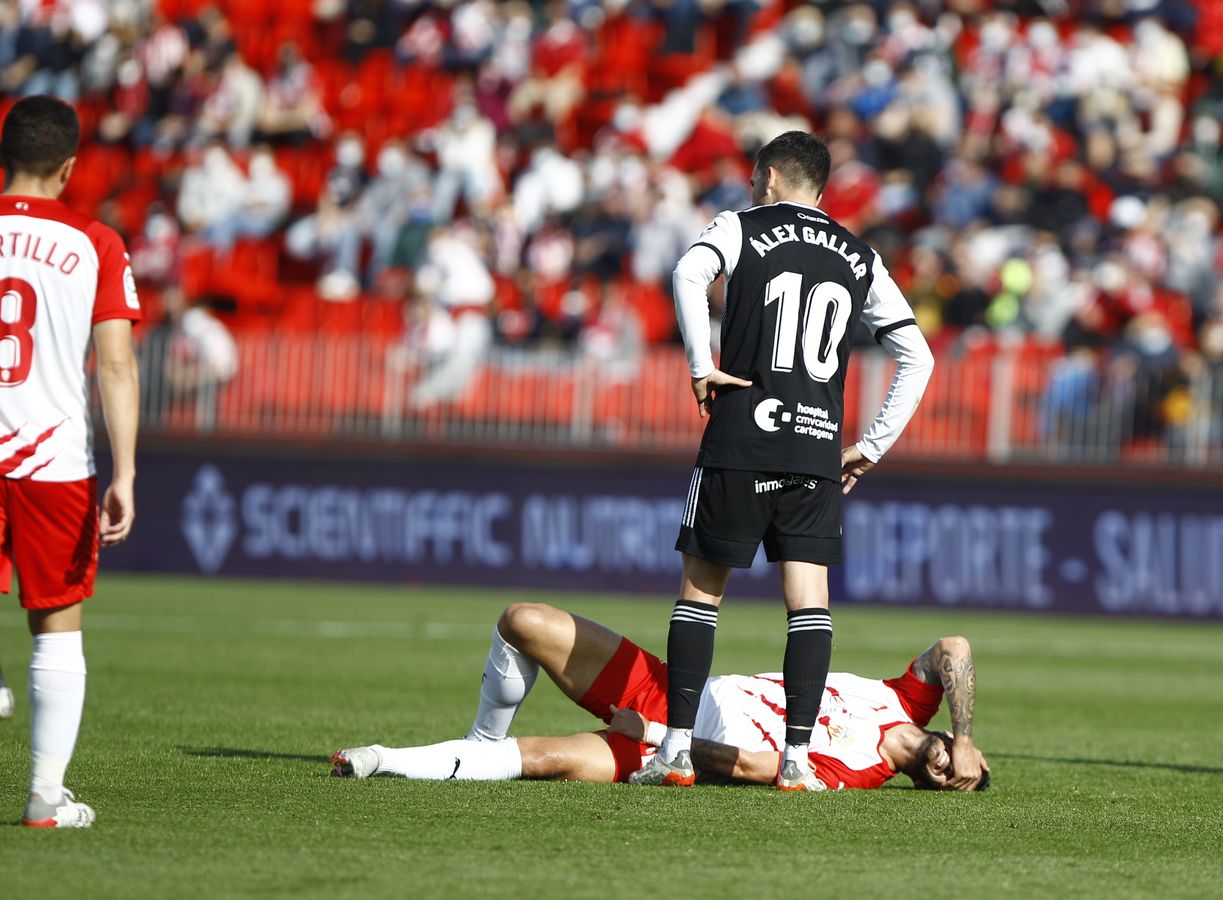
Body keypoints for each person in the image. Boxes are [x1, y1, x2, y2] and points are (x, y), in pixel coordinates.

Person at [634, 130, 937, 792]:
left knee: (701, 594)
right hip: (817, 446)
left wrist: (700, 363)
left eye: (752, 177)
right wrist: (873, 444)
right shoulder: (859, 254)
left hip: (743, 437)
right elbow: (919, 357)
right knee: (809, 604)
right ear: (821, 192)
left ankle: (677, 750)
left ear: (768, 176)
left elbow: (688, 273)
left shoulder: (738, 226)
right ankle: (798, 760)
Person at [329, 601, 989, 791]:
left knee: (540, 759)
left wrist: (652, 736)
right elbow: (953, 646)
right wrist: (959, 735)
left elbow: (758, 767)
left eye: (953, 785)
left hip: (671, 751)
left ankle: (380, 759)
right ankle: (478, 738)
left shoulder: (864, 773)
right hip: (678, 688)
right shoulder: (909, 700)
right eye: (970, 773)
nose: (956, 777)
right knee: (523, 621)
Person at [0, 96, 142, 827]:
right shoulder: (96, 242)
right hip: (51, 461)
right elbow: (114, 368)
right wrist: (125, 473)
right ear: (69, 167)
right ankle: (44, 799)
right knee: (57, 625)